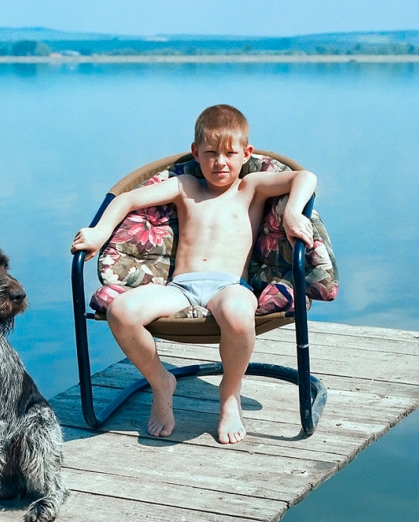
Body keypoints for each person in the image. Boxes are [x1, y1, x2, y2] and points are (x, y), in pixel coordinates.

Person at [71, 104, 316, 444]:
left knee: (238, 315)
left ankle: (229, 393)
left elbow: (305, 177)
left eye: (230, 154)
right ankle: (161, 383)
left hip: (229, 286)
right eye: (211, 153)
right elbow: (126, 200)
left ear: (246, 153)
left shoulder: (251, 188)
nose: (220, 162)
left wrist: (291, 212)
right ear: (195, 153)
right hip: (180, 289)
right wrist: (99, 232)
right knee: (120, 311)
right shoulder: (185, 185)